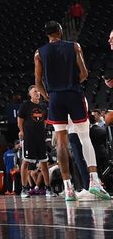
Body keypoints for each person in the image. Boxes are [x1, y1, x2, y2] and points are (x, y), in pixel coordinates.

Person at [34, 20, 109, 201]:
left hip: (55, 97)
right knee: (84, 136)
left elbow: (37, 82)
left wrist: (48, 96)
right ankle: (94, 181)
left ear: (47, 34)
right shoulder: (74, 46)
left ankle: (68, 188)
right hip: (73, 93)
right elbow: (84, 73)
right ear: (60, 31)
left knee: (61, 140)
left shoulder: (39, 53)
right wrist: (73, 81)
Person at [17, 85, 50, 198]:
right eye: (35, 91)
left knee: (44, 162)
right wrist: (21, 131)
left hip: (40, 138)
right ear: (30, 93)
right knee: (26, 162)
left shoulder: (43, 106)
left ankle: (48, 188)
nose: (37, 93)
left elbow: (45, 121)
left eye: (39, 91)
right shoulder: (25, 105)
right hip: (29, 138)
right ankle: (24, 188)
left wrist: (42, 132)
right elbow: (20, 120)